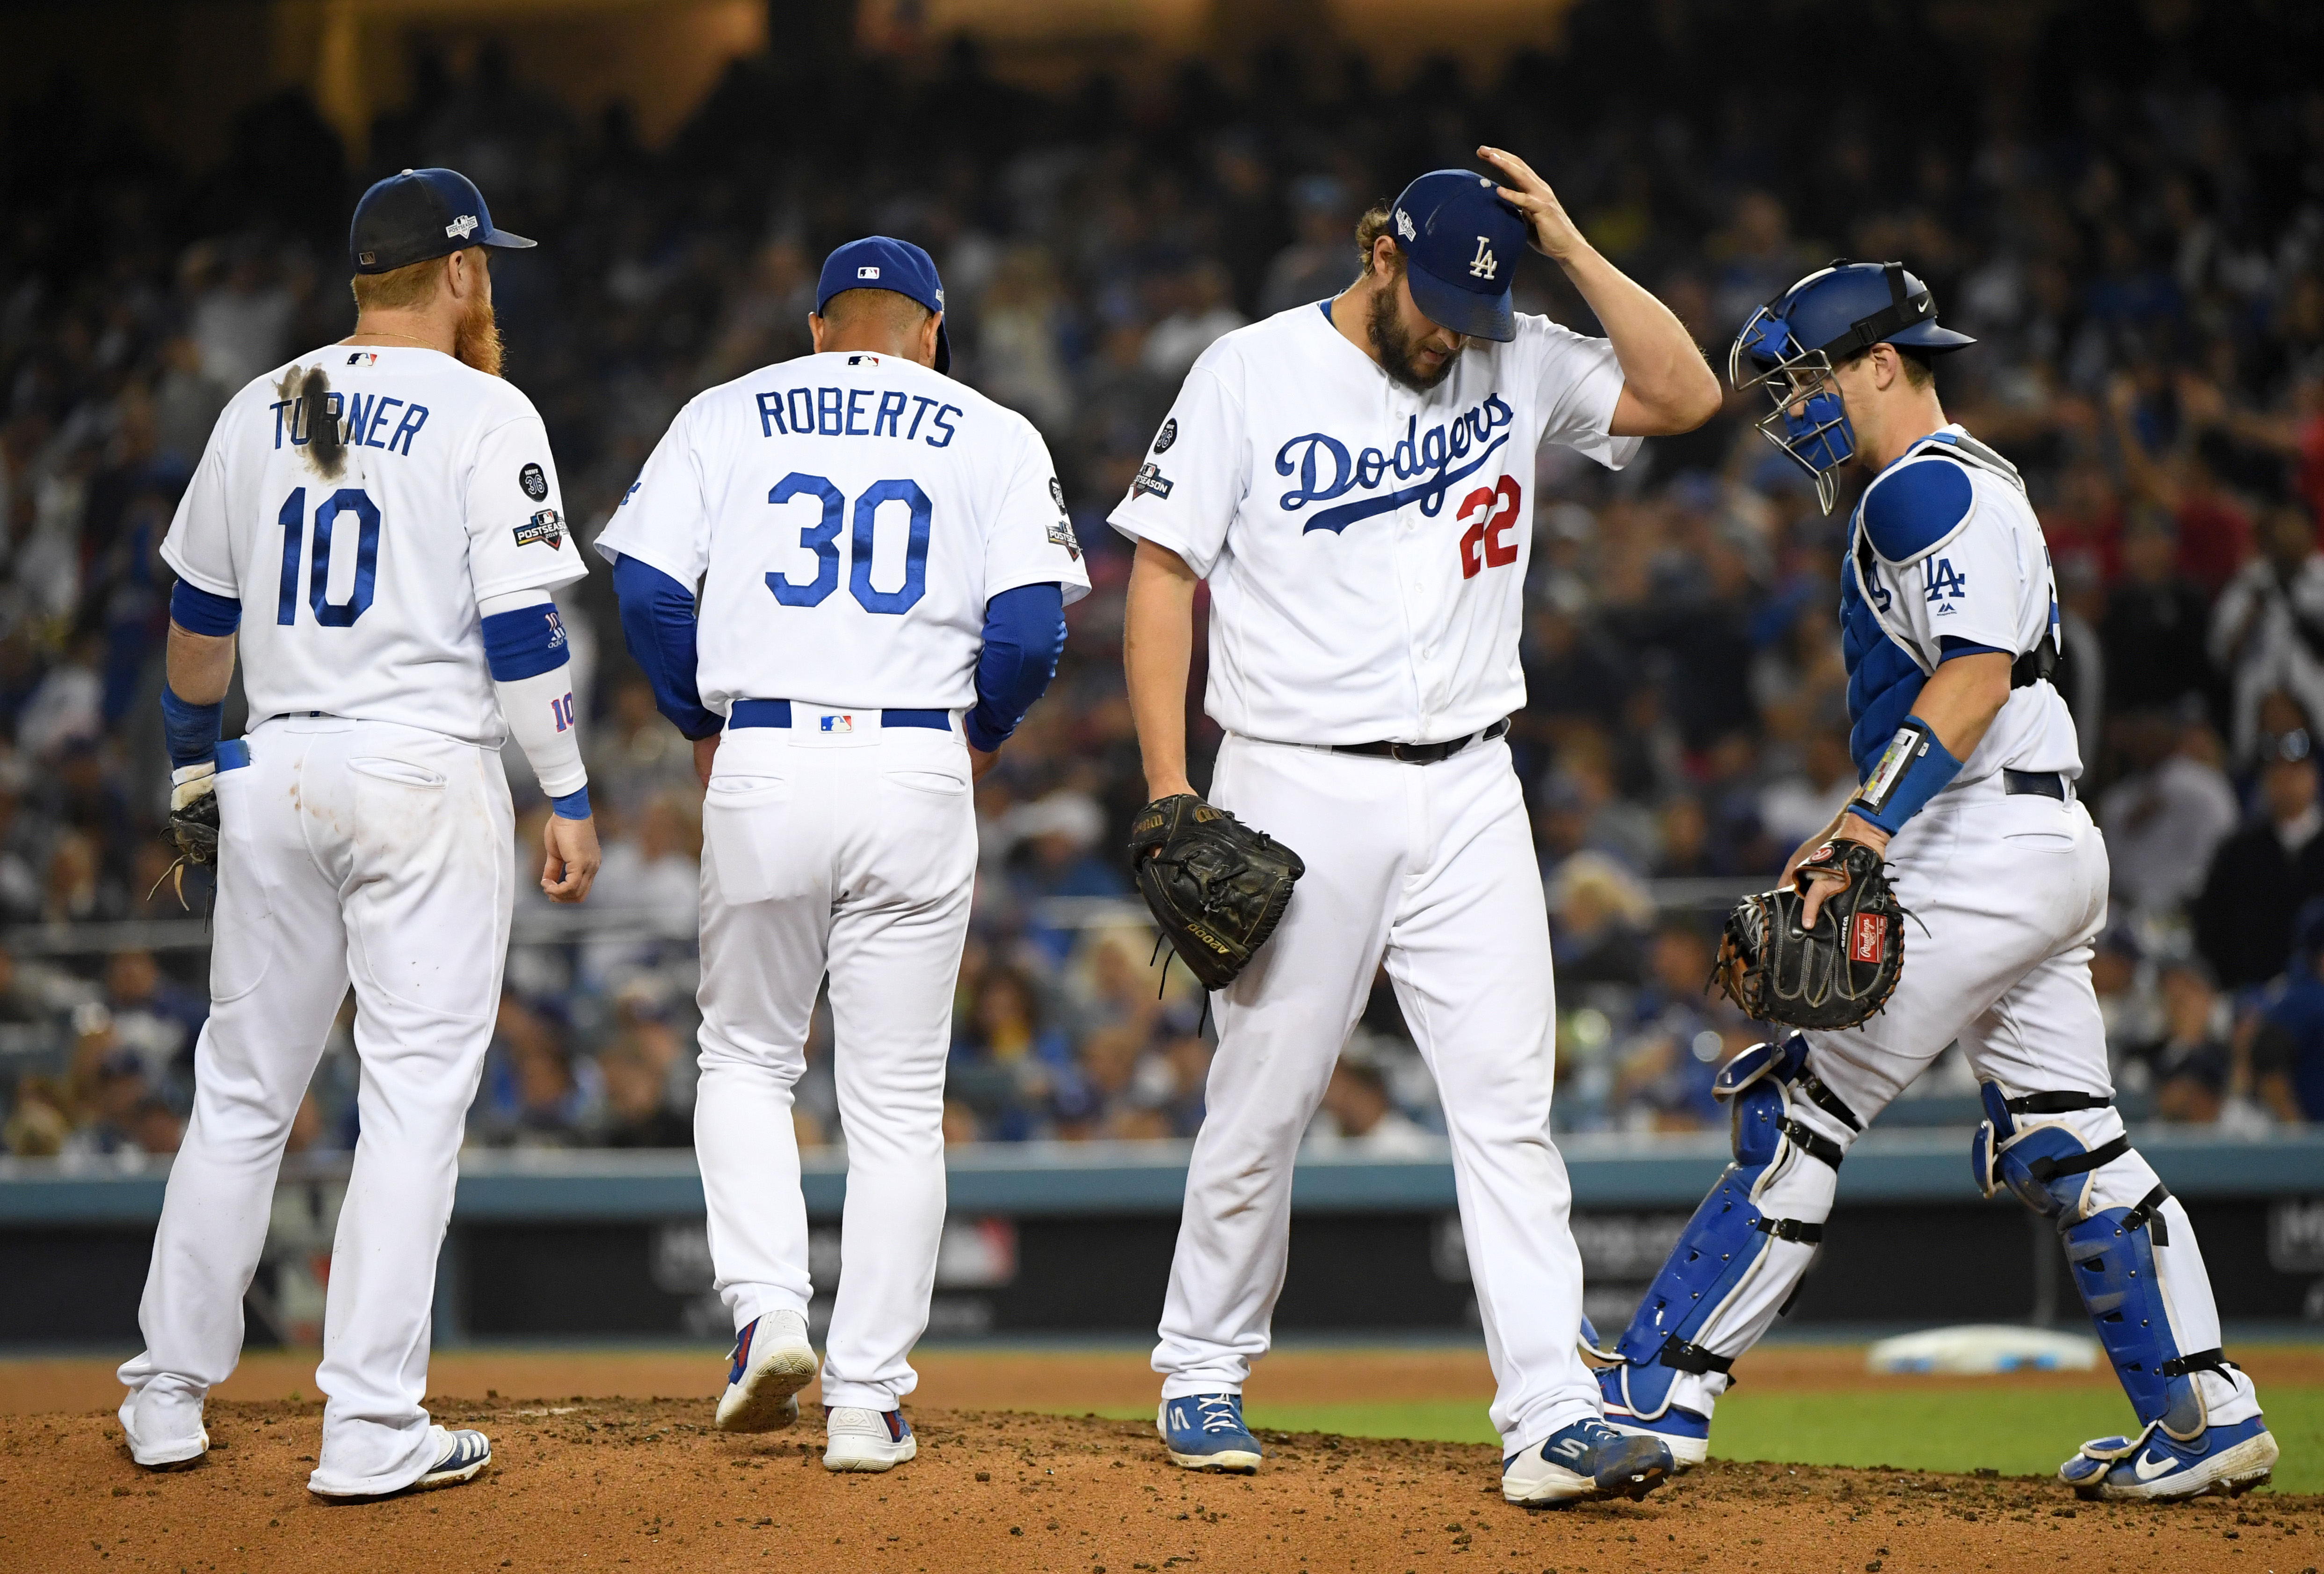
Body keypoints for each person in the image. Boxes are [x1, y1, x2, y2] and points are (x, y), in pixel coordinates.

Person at [1590, 261, 2274, 1502]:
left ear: (1884, 363)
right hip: (2039, 840)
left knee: (1800, 1102)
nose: (1791, 408)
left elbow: (1973, 671)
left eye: (1805, 378)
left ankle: (1659, 1391)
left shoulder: (1918, 492)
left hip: (1979, 839)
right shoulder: (1975, 480)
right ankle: (2203, 1414)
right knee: (2073, 1139)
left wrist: (1862, 825)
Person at [1111, 153, 1718, 1505]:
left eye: (1476, 306)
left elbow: (1687, 392)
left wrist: (1565, 245)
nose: (1455, 331)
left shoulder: (1514, 349)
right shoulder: (1248, 372)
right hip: (1294, 776)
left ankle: (1550, 1406)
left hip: (1470, 782)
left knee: (1511, 1102)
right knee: (1263, 1097)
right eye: (1438, 297)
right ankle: (1203, 1363)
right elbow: (1161, 574)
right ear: (1380, 252)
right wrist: (1169, 783)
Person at [117, 168, 602, 1497]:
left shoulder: (258, 402)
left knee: (242, 1090)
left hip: (272, 759)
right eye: (483, 261)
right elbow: (520, 631)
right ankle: (371, 1423)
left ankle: (166, 1390)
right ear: (456, 270)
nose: (489, 278)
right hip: (421, 766)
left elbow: (198, 623)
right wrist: (564, 785)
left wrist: (186, 767)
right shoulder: (486, 406)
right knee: (410, 1099)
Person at [597, 235, 1088, 1472]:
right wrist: (979, 729)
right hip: (915, 761)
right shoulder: (989, 426)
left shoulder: (728, 410)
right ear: (931, 330)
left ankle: (767, 1313)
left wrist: (697, 716)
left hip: (766, 753)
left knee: (749, 1059)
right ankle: (868, 1401)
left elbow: (650, 589)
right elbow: (1030, 630)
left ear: (820, 326)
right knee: (897, 1108)